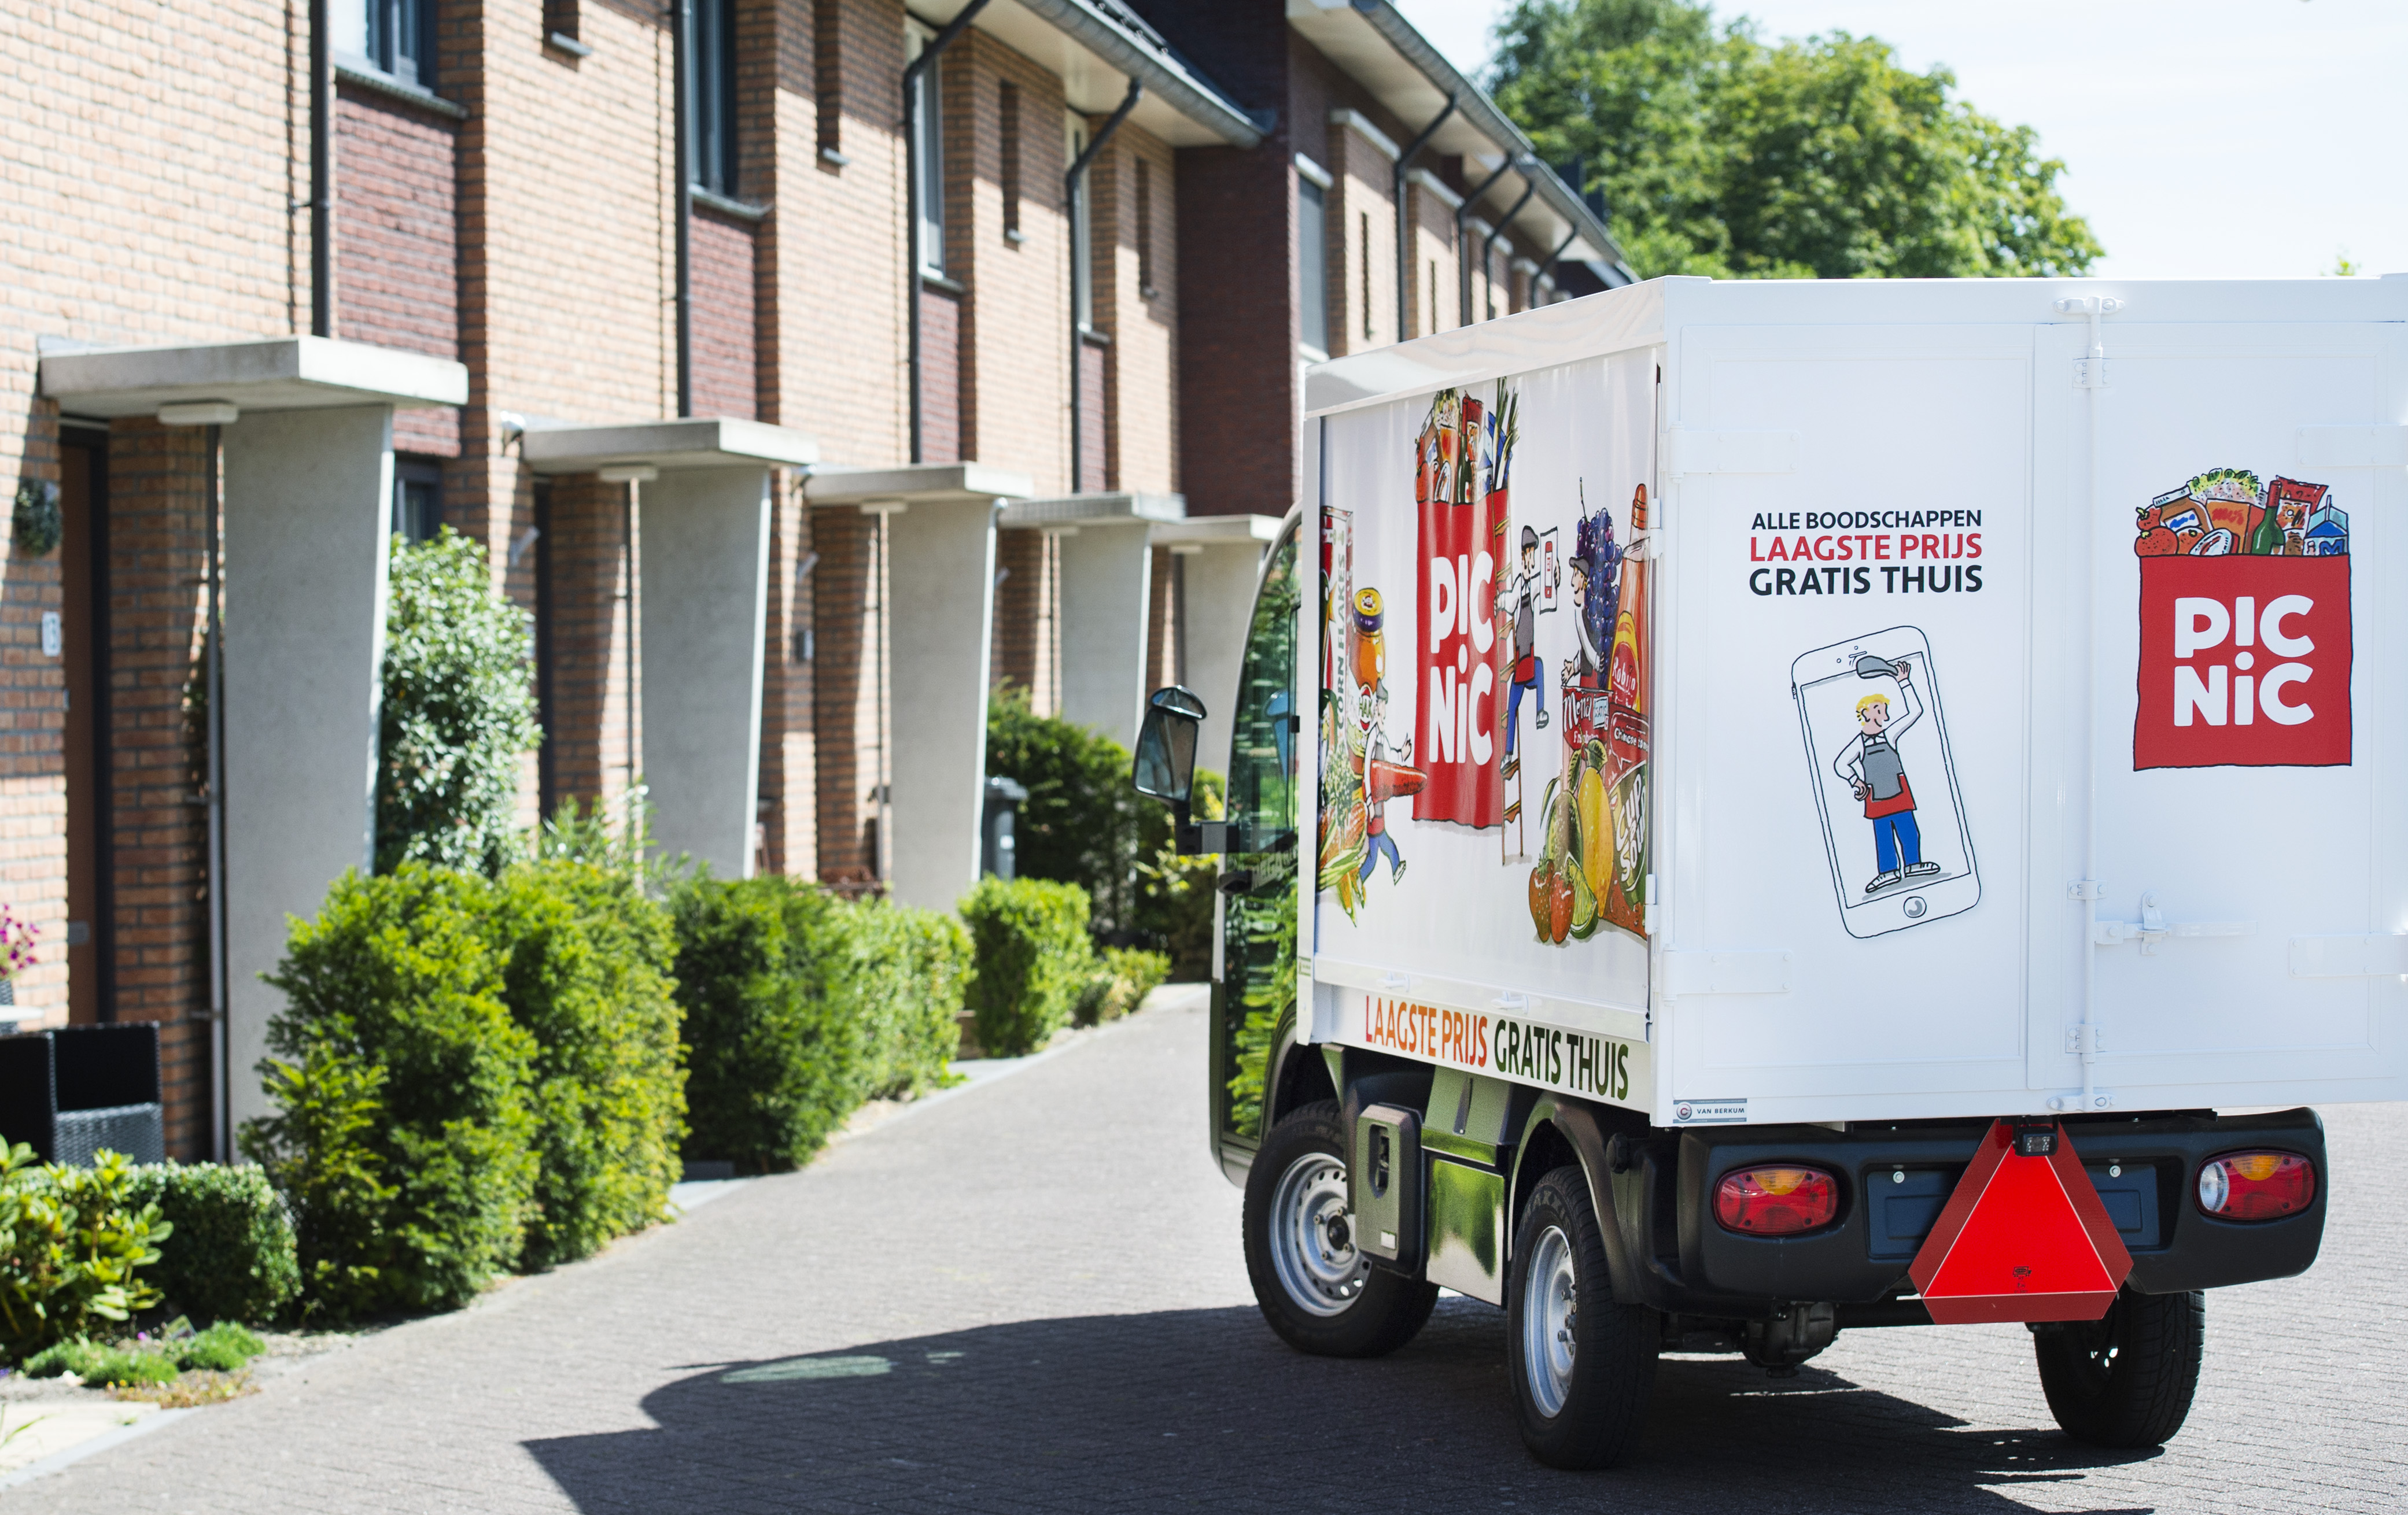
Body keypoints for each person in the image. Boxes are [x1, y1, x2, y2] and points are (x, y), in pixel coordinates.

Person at [1830, 661, 1944, 895]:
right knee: (1883, 835)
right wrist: (1857, 782)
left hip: (1898, 789)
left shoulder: (1889, 735)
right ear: (1866, 713)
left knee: (1909, 830)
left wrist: (1904, 682)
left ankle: (1913, 865)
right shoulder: (1859, 744)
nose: (1885, 713)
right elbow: (1841, 764)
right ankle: (1888, 872)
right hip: (1876, 795)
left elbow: (1915, 711)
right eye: (1879, 709)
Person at [1499, 525, 1548, 752]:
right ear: (1524, 555)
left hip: (1529, 653)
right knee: (1512, 705)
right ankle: (1508, 753)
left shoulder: (1534, 583)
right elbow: (1510, 602)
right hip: (1521, 660)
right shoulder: (1520, 586)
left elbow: (1545, 588)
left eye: (1534, 553)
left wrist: (1553, 575)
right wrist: (1499, 601)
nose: (1532, 558)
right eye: (1530, 553)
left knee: (1539, 669)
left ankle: (1540, 713)